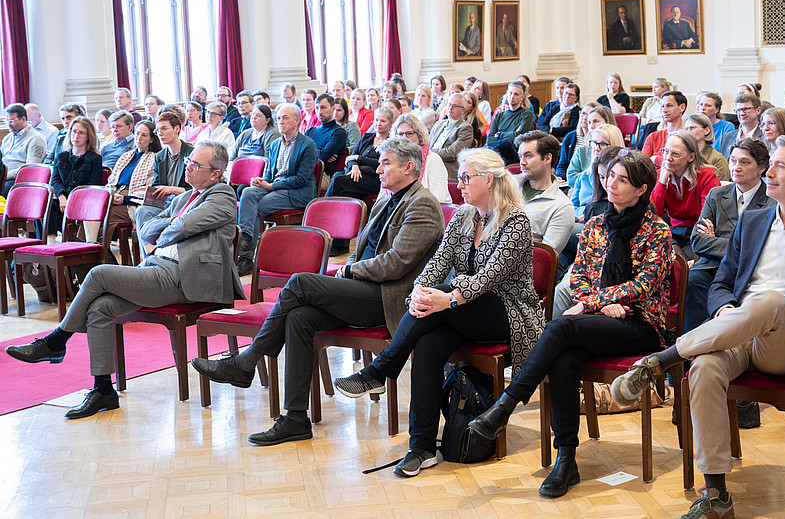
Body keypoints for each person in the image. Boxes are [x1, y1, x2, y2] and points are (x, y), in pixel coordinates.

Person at [610, 135, 785, 519]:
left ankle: (663, 358)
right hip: (738, 331)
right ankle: (717, 495)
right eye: (770, 163)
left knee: (771, 302)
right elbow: (722, 281)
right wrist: (726, 307)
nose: (770, 171)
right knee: (706, 368)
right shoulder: (753, 220)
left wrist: (780, 313)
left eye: (780, 166)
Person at [190, 138, 444, 445]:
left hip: (387, 299)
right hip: (361, 289)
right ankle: (296, 418)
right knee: (299, 317)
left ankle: (247, 361)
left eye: (385, 162)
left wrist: (349, 270)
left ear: (409, 166)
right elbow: (358, 251)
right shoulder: (385, 199)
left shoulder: (423, 204)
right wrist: (351, 267)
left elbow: (396, 264)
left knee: (300, 282)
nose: (377, 169)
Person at [468, 150, 673, 498]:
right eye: (609, 176)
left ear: (642, 189)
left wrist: (599, 301)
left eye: (622, 180)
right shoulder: (595, 225)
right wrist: (603, 303)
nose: (611, 183)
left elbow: (644, 286)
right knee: (563, 358)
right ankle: (567, 458)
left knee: (562, 325)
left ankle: (506, 404)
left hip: (641, 326)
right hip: (599, 321)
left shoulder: (657, 232)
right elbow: (577, 278)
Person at [333, 148, 543, 478]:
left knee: (440, 296)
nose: (459, 184)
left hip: (508, 314)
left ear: (488, 180)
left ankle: (381, 369)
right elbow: (437, 264)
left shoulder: (515, 222)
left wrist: (449, 298)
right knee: (429, 343)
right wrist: (420, 290)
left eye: (465, 177)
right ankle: (423, 447)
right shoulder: (462, 217)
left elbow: (491, 279)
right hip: (464, 310)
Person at [6, 142, 243, 419]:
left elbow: (183, 226)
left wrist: (166, 232)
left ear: (215, 174)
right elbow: (148, 226)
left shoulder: (223, 195)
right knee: (101, 307)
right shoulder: (183, 198)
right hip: (159, 267)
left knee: (98, 273)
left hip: (188, 278)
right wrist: (167, 229)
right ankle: (103, 390)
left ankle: (57, 340)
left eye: (195, 165)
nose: (188, 167)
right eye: (188, 161)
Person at [686, 138, 774, 332]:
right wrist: (739, 246)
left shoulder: (771, 201)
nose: (736, 167)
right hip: (712, 266)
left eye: (744, 162)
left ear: (761, 168)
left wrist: (715, 239)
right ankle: (692, 348)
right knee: (693, 280)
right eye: (733, 160)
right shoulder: (716, 194)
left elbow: (762, 247)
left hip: (749, 270)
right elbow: (698, 241)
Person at [236, 104, 319, 275]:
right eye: (279, 118)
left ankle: (246, 256)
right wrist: (262, 181)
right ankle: (245, 241)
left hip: (296, 192)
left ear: (297, 120)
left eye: (285, 117)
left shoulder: (307, 145)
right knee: (248, 192)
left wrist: (271, 186)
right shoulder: (275, 144)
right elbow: (269, 173)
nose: (280, 121)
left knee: (256, 206)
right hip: (274, 187)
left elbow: (302, 179)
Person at [651, 130, 720, 257]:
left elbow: (708, 217)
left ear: (691, 157)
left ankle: (683, 269)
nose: (668, 158)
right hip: (674, 233)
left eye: (675, 154)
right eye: (665, 151)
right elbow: (654, 216)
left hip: (698, 233)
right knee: (662, 245)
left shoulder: (706, 176)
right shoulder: (661, 176)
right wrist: (662, 183)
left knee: (675, 259)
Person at [513, 131, 574, 252]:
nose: (522, 162)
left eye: (528, 156)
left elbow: (544, 258)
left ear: (547, 158)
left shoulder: (561, 207)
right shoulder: (508, 184)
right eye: (521, 156)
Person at [134, 112, 195, 234]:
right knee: (141, 211)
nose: (160, 133)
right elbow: (156, 185)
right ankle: (148, 252)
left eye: (164, 129)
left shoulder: (192, 153)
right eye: (157, 131)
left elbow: (195, 189)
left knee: (172, 209)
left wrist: (172, 189)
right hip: (165, 202)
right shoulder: (159, 156)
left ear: (177, 128)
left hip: (184, 201)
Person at [48, 116, 104, 236]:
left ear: (88, 136)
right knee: (46, 205)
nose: (76, 136)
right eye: (74, 131)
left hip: (82, 201)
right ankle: (50, 242)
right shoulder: (61, 156)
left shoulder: (94, 158)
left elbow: (92, 185)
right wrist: (62, 196)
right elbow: (55, 180)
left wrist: (71, 200)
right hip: (62, 200)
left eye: (81, 133)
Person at [104, 120, 160, 239]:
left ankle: (97, 253)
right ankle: (89, 249)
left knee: (104, 215)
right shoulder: (126, 156)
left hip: (132, 202)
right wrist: (109, 195)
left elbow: (150, 194)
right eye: (137, 134)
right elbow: (111, 182)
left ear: (151, 139)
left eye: (144, 135)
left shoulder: (155, 159)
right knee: (92, 210)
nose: (139, 138)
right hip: (114, 196)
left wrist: (125, 199)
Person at [326, 106, 393, 200]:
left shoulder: (391, 142)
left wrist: (359, 158)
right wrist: (354, 166)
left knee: (339, 181)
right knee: (339, 179)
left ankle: (323, 209)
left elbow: (380, 162)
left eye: (383, 121)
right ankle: (340, 212)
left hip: (374, 178)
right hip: (357, 173)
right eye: (376, 120)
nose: (378, 123)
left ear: (391, 123)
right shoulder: (367, 137)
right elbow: (351, 157)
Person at [391, 114, 451, 204]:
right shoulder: (392, 161)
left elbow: (438, 200)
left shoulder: (433, 160)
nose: (404, 138)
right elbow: (382, 199)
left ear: (420, 135)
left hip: (428, 212)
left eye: (409, 133)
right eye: (400, 134)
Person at [570, 123, 625, 220]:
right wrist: (584, 214)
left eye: (603, 144)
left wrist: (591, 214)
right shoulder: (583, 176)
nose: (596, 148)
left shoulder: (621, 178)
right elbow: (572, 207)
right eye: (594, 143)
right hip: (582, 219)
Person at [562, 105, 613, 189]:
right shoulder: (581, 150)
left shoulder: (616, 150)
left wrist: (585, 177)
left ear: (607, 122)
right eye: (589, 122)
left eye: (596, 121)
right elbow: (571, 179)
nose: (591, 126)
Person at [305, 93, 348, 192]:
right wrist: (320, 152)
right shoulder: (311, 130)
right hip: (305, 169)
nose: (319, 112)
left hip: (322, 175)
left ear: (333, 109)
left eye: (323, 108)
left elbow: (323, 156)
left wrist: (314, 153)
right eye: (317, 108)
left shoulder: (339, 132)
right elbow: (298, 150)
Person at [486, 81, 536, 164]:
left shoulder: (527, 114)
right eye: (510, 93)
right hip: (496, 152)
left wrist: (499, 134)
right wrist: (512, 133)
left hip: (514, 153)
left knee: (506, 143)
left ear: (522, 97)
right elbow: (489, 138)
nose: (512, 97)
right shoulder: (499, 115)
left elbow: (519, 137)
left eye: (516, 94)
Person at [2, 102, 47, 193]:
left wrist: (5, 175)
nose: (9, 124)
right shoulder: (8, 138)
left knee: (6, 188)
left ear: (23, 119)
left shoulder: (36, 138)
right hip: (3, 176)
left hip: (18, 180)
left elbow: (30, 168)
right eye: (7, 121)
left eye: (12, 121)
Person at [428, 92, 473, 180]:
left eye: (454, 106)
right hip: (429, 163)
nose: (450, 108)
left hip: (446, 168)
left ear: (463, 110)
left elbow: (452, 153)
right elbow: (427, 143)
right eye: (449, 104)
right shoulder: (438, 124)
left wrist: (430, 153)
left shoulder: (465, 128)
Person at [642, 90, 687, 164]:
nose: (664, 110)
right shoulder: (653, 137)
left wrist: (656, 159)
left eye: (669, 106)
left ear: (682, 107)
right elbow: (643, 164)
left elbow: (684, 164)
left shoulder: (689, 137)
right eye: (662, 106)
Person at [684, 114, 730, 181]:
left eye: (692, 128)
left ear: (707, 130)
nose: (688, 132)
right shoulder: (683, 156)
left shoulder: (717, 159)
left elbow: (720, 189)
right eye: (686, 129)